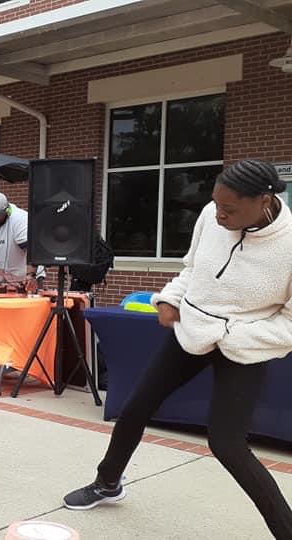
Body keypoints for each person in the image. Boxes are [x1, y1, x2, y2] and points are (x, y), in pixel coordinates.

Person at [63, 160, 292, 539]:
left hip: (246, 345)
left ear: (265, 200)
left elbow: (288, 322)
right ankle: (107, 484)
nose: (218, 214)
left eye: (229, 209)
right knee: (136, 407)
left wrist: (233, 335)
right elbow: (192, 268)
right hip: (192, 331)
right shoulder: (210, 215)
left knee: (227, 444)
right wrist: (169, 298)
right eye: (216, 204)